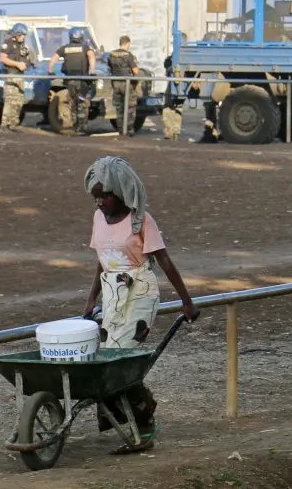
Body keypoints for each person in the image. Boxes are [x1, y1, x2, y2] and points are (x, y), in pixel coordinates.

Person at [82, 157, 199, 450]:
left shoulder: (142, 221)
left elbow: (165, 261)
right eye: (96, 196)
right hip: (112, 292)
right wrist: (91, 298)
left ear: (121, 191)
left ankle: (144, 420)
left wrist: (187, 301)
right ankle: (131, 415)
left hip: (139, 292)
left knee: (119, 359)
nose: (99, 202)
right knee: (108, 357)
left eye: (104, 196)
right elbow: (102, 262)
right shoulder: (98, 219)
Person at [49, 27, 96, 137]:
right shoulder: (85, 48)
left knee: (71, 103)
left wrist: (50, 71)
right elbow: (91, 56)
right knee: (81, 104)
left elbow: (53, 58)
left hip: (69, 81)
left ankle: (71, 126)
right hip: (82, 81)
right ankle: (81, 128)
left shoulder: (65, 48)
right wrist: (92, 72)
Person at [0, 23, 33, 131]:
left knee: (19, 101)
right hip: (11, 75)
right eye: (22, 35)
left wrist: (26, 64)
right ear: (17, 34)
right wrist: (17, 64)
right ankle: (4, 125)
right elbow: (3, 58)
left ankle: (13, 124)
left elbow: (27, 59)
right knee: (10, 101)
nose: (24, 37)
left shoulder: (23, 45)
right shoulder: (7, 44)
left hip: (20, 76)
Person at [107, 36, 142, 137]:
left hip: (115, 84)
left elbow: (109, 67)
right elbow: (135, 71)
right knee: (130, 107)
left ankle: (121, 130)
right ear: (127, 43)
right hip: (127, 84)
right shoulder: (128, 55)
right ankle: (129, 130)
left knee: (119, 108)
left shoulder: (111, 54)